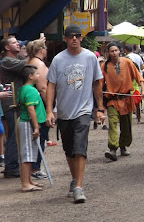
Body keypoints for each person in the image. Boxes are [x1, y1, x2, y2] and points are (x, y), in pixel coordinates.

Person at [46, 25, 105, 203]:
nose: (74, 39)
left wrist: (99, 108)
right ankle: (74, 179)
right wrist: (50, 110)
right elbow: (51, 85)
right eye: (70, 36)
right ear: (64, 39)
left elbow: (97, 83)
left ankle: (79, 187)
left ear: (81, 38)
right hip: (64, 111)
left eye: (77, 36)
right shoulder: (58, 60)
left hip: (83, 110)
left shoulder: (89, 57)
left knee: (80, 148)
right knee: (69, 150)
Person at [102, 42, 144, 161]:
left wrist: (143, 90)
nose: (114, 53)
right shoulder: (104, 66)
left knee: (126, 126)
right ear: (108, 53)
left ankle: (123, 145)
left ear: (119, 51)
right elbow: (99, 83)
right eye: (112, 51)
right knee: (112, 123)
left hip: (126, 99)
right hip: (112, 100)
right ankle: (112, 148)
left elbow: (138, 76)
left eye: (116, 50)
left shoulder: (127, 62)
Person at [1, 36, 27, 178]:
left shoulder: (14, 60)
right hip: (11, 103)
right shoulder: (7, 61)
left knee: (15, 134)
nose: (17, 44)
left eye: (18, 42)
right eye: (14, 42)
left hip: (15, 102)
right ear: (6, 47)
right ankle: (11, 167)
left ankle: (12, 165)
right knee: (14, 135)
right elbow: (27, 67)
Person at [17, 65, 46, 192]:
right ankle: (25, 183)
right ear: (30, 76)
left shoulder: (25, 89)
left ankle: (28, 180)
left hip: (27, 123)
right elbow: (30, 109)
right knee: (27, 154)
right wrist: (35, 127)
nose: (39, 76)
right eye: (37, 74)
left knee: (30, 153)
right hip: (28, 124)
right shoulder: (30, 90)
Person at [25, 39, 50, 179]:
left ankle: (34, 167)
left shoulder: (29, 61)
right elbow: (42, 87)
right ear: (42, 50)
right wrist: (50, 109)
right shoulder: (38, 64)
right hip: (39, 104)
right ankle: (35, 168)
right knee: (40, 136)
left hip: (34, 102)